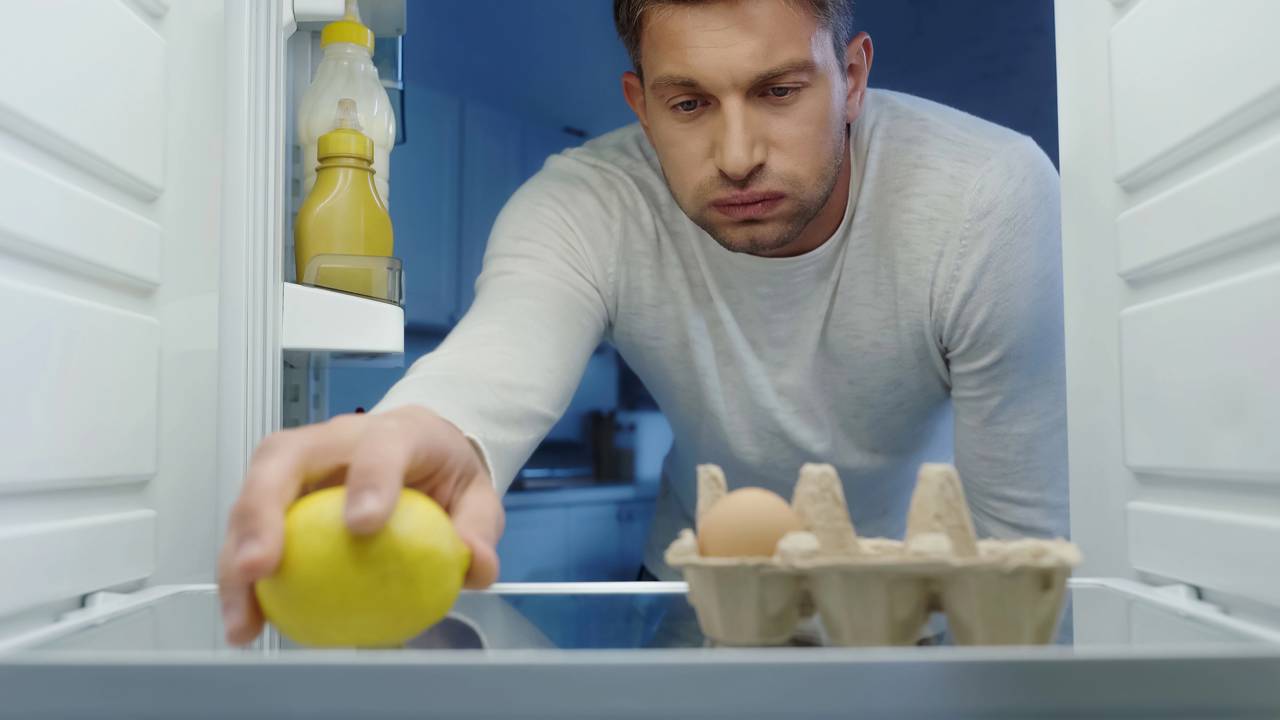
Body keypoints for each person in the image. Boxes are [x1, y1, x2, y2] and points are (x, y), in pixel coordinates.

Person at [218, 0, 1067, 646]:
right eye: (689, 103)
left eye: (778, 91)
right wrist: (432, 430)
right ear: (642, 103)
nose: (738, 155)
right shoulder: (587, 203)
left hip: (912, 600)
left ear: (851, 77)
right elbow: (499, 356)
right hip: (697, 589)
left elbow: (1021, 538)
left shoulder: (984, 198)